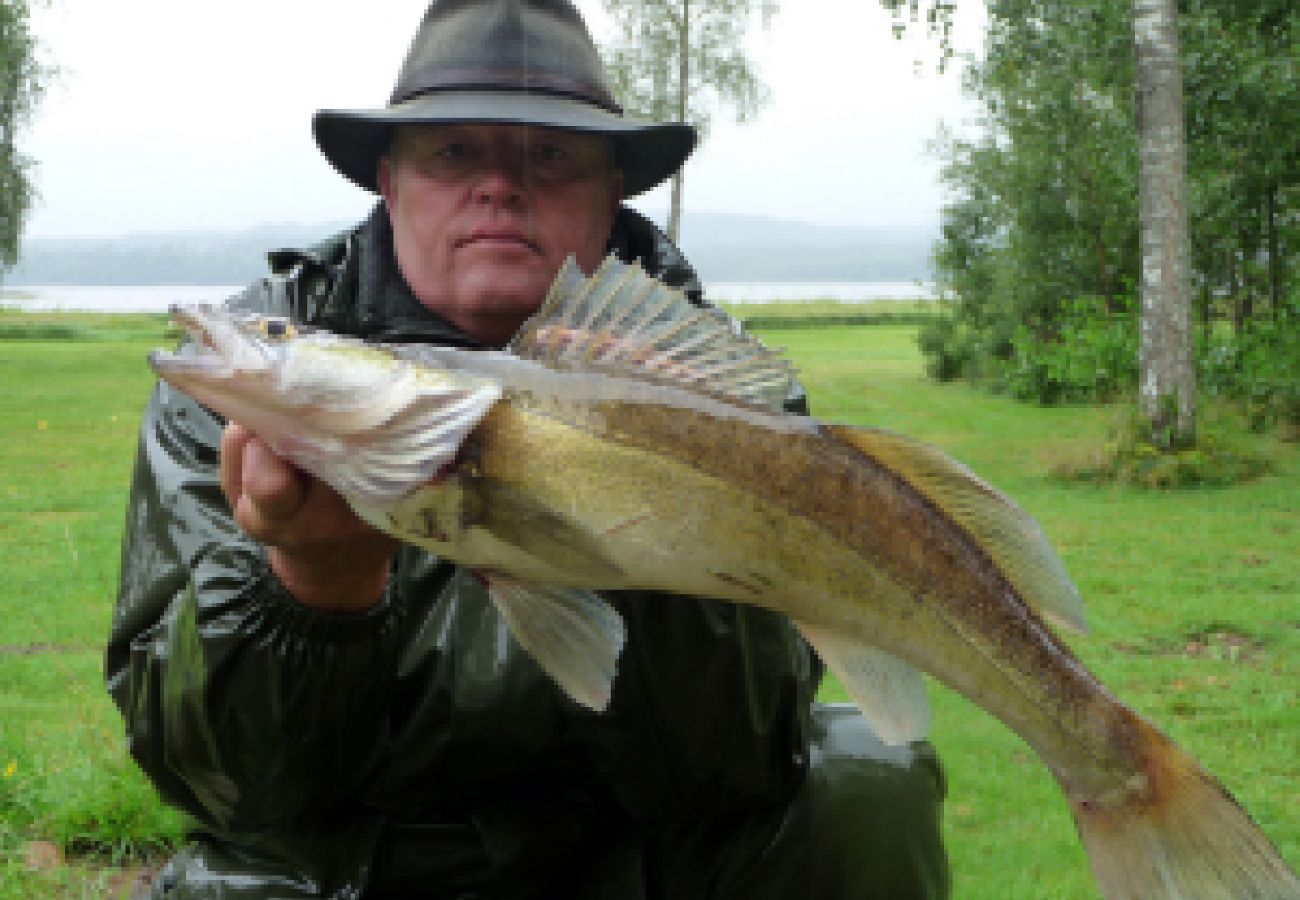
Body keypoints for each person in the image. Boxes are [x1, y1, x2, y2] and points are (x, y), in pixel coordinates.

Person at [108, 2, 950, 897]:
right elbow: (219, 782)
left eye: (550, 155)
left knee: (867, 779)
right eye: (455, 152)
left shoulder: (714, 387)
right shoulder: (256, 383)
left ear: (612, 188)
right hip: (354, 852)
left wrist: (651, 529)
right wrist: (315, 586)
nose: (502, 187)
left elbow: (737, 761)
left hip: (635, 838)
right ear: (389, 184)